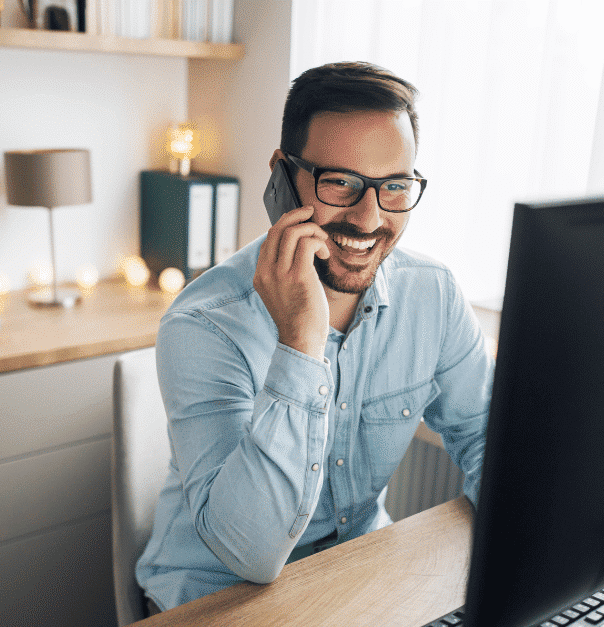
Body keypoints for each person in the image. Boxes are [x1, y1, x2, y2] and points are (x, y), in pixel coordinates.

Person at [135, 61, 494, 613]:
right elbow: (250, 556)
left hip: (357, 574)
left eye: (394, 186)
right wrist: (300, 342)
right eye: (341, 183)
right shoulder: (203, 324)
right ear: (282, 176)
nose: (370, 218)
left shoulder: (434, 295)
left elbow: (487, 435)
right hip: (215, 596)